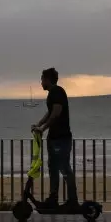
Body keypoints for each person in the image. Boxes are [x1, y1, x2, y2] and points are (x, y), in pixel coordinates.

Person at [31, 67, 79, 210]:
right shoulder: (53, 93)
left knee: (64, 168)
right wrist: (39, 124)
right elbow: (50, 112)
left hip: (61, 138)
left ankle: (72, 200)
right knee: (53, 168)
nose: (41, 82)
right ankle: (53, 198)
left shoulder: (57, 91)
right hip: (54, 138)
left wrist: (43, 128)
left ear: (47, 79)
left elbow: (56, 113)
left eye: (42, 79)